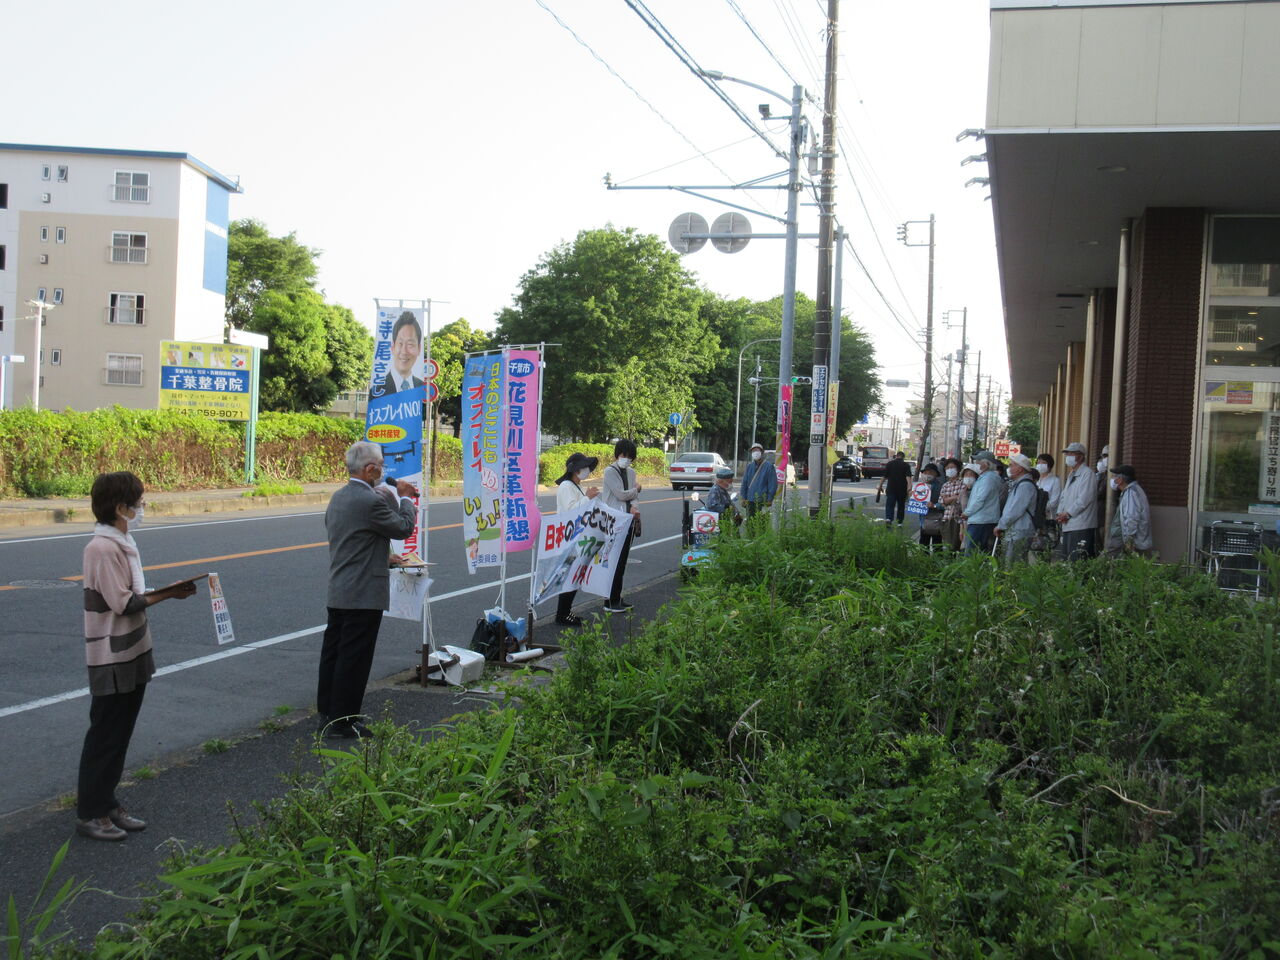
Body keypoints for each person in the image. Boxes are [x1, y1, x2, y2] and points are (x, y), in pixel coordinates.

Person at [77, 471, 197, 841]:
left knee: (120, 733)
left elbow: (131, 595)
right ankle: (90, 812)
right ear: (120, 508)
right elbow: (124, 603)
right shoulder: (102, 548)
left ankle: (107, 802)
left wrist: (166, 592)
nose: (142, 508)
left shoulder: (121, 542)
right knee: (106, 734)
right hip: (111, 655)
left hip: (130, 650)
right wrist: (170, 593)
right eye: (138, 503)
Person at [317, 442, 418, 740]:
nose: (383, 470)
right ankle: (343, 721)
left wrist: (382, 556)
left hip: (340, 587)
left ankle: (328, 713)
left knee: (334, 653)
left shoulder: (338, 497)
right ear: (370, 469)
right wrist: (405, 498)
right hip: (363, 592)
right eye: (381, 466)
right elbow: (402, 527)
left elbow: (352, 538)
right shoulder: (370, 500)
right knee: (355, 659)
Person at [554, 451, 600, 625]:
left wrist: (587, 498)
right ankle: (563, 614)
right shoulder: (566, 486)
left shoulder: (575, 486)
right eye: (584, 467)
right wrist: (587, 498)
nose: (587, 470)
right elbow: (571, 511)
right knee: (570, 575)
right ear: (576, 469)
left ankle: (566, 612)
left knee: (573, 575)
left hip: (575, 536)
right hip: (569, 537)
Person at [600, 439, 642, 613]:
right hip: (613, 521)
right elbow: (621, 494)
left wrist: (635, 507)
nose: (627, 459)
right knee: (613, 561)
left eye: (630, 457)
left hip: (628, 520)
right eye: (625, 455)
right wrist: (637, 489)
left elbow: (632, 498)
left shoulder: (631, 472)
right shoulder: (609, 471)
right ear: (618, 454)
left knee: (622, 560)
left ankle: (617, 597)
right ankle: (609, 601)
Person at [1055, 441, 1098, 560]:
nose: (1068, 457)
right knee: (1068, 558)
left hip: (1081, 525)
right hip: (1068, 524)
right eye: (1067, 454)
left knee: (1078, 558)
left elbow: (1084, 499)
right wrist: (1060, 513)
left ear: (1080, 456)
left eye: (1071, 454)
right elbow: (1064, 496)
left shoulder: (1087, 474)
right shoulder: (1071, 474)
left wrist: (1068, 514)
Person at [995, 453, 1039, 564]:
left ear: (1020, 469)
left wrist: (1001, 525)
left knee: (1013, 565)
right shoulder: (1019, 484)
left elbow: (1014, 511)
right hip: (1014, 531)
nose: (1009, 468)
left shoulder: (1025, 486)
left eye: (1011, 465)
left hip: (1019, 532)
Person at [1107, 464, 1154, 557]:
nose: (1113, 479)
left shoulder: (1131, 493)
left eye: (1115, 476)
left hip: (1129, 541)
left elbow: (1131, 517)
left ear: (1120, 480)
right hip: (1130, 540)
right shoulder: (1132, 490)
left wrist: (1128, 541)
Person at [962, 450, 1003, 553]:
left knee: (972, 552)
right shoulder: (986, 478)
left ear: (986, 464)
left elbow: (980, 499)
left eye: (978, 461)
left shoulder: (987, 479)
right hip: (983, 519)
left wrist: (967, 513)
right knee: (980, 551)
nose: (976, 464)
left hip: (980, 520)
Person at [379, 312, 425, 395]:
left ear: (419, 348)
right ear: (393, 347)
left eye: (410, 344)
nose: (404, 351)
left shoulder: (422, 388)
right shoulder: (377, 391)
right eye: (400, 343)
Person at [740, 442, 778, 517]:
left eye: (757, 450)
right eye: (753, 451)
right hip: (750, 499)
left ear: (762, 452)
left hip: (762, 501)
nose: (755, 453)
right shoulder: (749, 466)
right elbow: (744, 483)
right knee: (750, 521)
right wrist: (743, 497)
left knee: (761, 521)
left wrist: (770, 499)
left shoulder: (769, 467)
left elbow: (772, 484)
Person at [1035, 453, 1062, 551]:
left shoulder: (1055, 481)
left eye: (1043, 462)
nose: (1040, 464)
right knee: (1034, 545)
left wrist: (1041, 508)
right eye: (1038, 462)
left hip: (1048, 518)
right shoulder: (1036, 480)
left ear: (1049, 465)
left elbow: (1054, 501)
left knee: (1047, 545)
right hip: (1035, 518)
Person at [938, 458, 966, 550]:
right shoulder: (945, 485)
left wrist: (948, 499)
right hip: (947, 519)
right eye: (947, 468)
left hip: (960, 520)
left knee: (960, 546)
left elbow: (961, 500)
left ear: (958, 469)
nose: (949, 470)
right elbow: (942, 502)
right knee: (949, 547)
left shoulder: (963, 483)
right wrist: (954, 497)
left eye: (952, 467)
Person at [878, 451, 912, 525]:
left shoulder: (890, 464)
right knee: (901, 505)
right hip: (902, 489)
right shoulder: (906, 465)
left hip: (891, 488)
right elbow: (908, 476)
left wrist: (880, 485)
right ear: (903, 457)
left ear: (896, 456)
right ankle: (899, 522)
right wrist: (909, 486)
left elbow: (884, 476)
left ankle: (889, 518)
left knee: (890, 504)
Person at [917, 462, 944, 547]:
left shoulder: (941, 486)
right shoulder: (920, 486)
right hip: (923, 519)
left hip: (936, 519)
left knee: (937, 544)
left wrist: (934, 505)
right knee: (923, 543)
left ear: (936, 474)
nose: (928, 474)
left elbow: (944, 504)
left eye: (931, 472)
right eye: (925, 472)